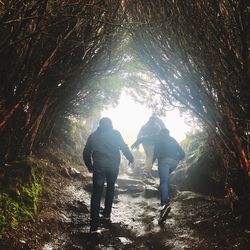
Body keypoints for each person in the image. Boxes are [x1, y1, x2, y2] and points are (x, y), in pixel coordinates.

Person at [83, 117, 134, 233]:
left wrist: (89, 166)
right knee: (111, 188)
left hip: (99, 167)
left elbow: (86, 152)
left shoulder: (93, 136)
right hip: (113, 167)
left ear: (99, 125)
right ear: (111, 125)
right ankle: (106, 215)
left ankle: (94, 222)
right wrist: (130, 157)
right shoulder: (116, 134)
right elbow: (124, 146)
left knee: (96, 193)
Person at [132, 128, 185, 223]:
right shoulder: (172, 139)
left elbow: (144, 138)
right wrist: (178, 160)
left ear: (160, 133)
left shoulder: (158, 137)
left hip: (164, 161)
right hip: (174, 162)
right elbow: (183, 153)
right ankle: (166, 198)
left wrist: (136, 143)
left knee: (163, 181)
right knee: (166, 179)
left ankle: (164, 204)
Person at [136, 114, 165, 181]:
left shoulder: (144, 126)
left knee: (148, 157)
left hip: (144, 143)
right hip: (151, 143)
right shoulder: (156, 126)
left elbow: (139, 135)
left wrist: (138, 144)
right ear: (154, 120)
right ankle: (146, 172)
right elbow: (159, 135)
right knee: (150, 157)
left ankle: (148, 172)